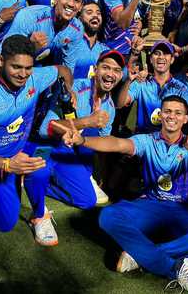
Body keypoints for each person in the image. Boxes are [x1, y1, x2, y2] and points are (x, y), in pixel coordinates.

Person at [60, 95, 188, 294]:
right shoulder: (147, 140)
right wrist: (83, 140)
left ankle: (142, 254)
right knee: (108, 216)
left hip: (182, 212)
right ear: (160, 115)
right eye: (168, 111)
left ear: (186, 119)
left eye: (178, 113)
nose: (172, 116)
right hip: (150, 207)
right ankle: (175, 267)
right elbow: (117, 144)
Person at [0, 35, 75, 294]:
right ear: (0, 61)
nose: (23, 74)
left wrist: (70, 95)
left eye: (27, 67)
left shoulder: (36, 77)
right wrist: (8, 164)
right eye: (16, 67)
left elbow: (63, 71)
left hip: (11, 163)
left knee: (5, 222)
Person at [37, 50, 125, 208]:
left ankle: (64, 179)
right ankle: (38, 179)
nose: (111, 74)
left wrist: (100, 175)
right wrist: (86, 122)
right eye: (106, 68)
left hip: (77, 153)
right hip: (54, 149)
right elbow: (45, 129)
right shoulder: (75, 88)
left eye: (117, 70)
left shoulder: (110, 106)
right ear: (95, 69)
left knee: (88, 199)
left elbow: (102, 144)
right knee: (88, 200)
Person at [0, 0, 86, 72]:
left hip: (33, 66)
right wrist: (29, 46)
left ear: (81, 6)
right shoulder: (30, 16)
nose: (71, 4)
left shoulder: (77, 28)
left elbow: (68, 68)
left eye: (77, 0)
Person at [117, 40, 188, 133]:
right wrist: (128, 81)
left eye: (165, 53)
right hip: (145, 139)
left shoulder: (180, 87)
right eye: (157, 53)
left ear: (172, 59)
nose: (161, 57)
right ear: (150, 59)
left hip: (170, 140)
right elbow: (120, 104)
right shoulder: (141, 82)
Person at [72, 1, 111, 78]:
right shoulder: (70, 45)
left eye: (98, 13)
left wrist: (134, 54)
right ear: (79, 19)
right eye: (89, 13)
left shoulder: (105, 50)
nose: (95, 15)